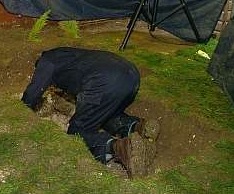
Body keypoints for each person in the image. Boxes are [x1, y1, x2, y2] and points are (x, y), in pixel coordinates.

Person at [21, 47, 159, 177]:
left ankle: (119, 148)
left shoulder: (47, 62)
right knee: (104, 112)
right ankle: (135, 126)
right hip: (131, 75)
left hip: (104, 81)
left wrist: (20, 110)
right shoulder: (67, 55)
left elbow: (31, 95)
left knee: (77, 131)